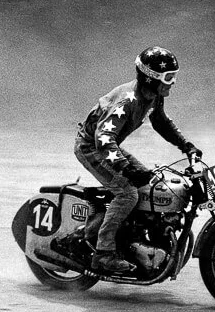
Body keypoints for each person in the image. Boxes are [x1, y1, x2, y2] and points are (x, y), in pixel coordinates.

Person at [74, 46, 201, 272]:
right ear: (150, 78)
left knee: (150, 186)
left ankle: (132, 239)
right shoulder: (127, 101)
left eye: (174, 76)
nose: (172, 82)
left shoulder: (152, 96)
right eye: (168, 77)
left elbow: (161, 122)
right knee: (128, 193)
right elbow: (103, 138)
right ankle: (103, 253)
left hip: (109, 147)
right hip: (91, 147)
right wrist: (125, 169)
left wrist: (186, 145)